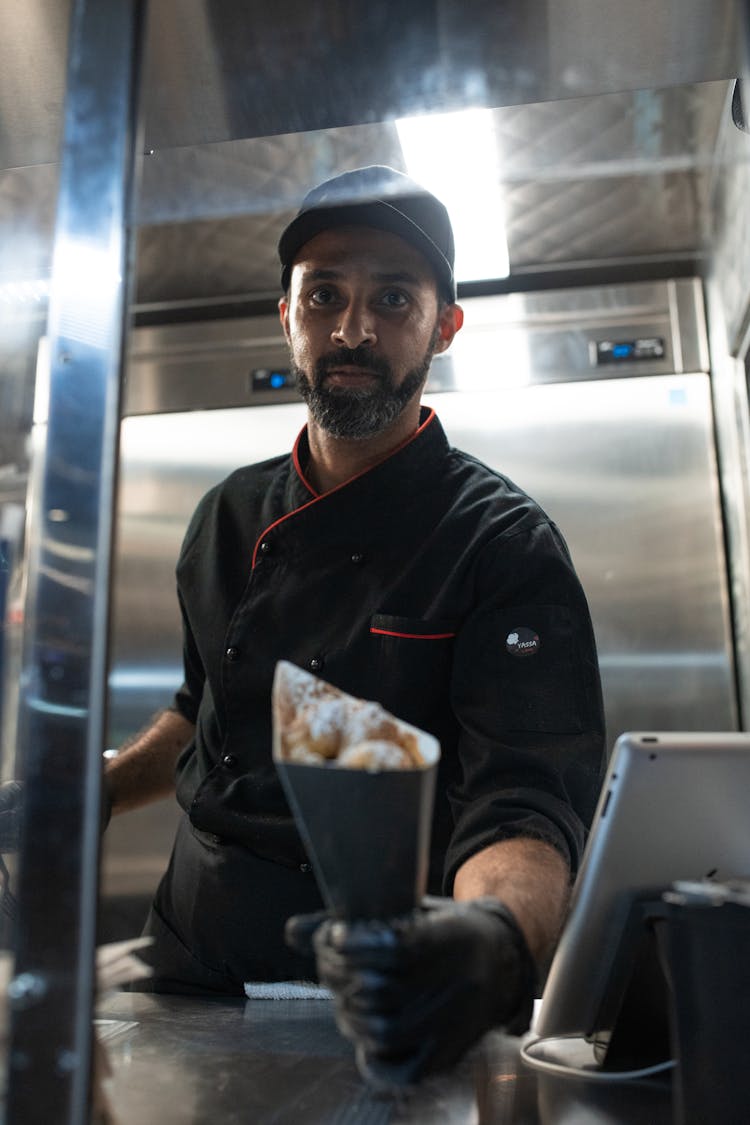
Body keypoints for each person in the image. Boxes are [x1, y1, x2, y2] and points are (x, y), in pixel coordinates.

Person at [105, 165, 606, 1083]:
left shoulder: (502, 543)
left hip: (385, 989)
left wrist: (492, 936)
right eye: (325, 295)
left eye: (392, 298)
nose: (353, 329)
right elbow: (206, 708)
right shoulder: (225, 514)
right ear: (285, 314)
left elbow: (523, 800)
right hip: (185, 970)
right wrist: (90, 791)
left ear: (445, 325)